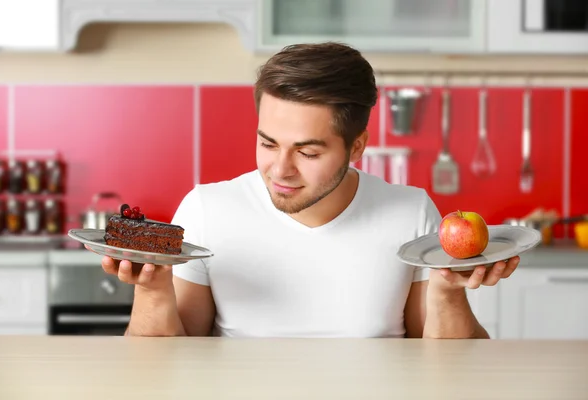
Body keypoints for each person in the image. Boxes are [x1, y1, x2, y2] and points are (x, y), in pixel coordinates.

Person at [99, 42, 520, 338]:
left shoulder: (409, 213)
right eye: (267, 143)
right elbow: (164, 366)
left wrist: (447, 291)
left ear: (356, 147)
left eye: (308, 152)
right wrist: (152, 288)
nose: (280, 169)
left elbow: (453, 373)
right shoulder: (208, 209)